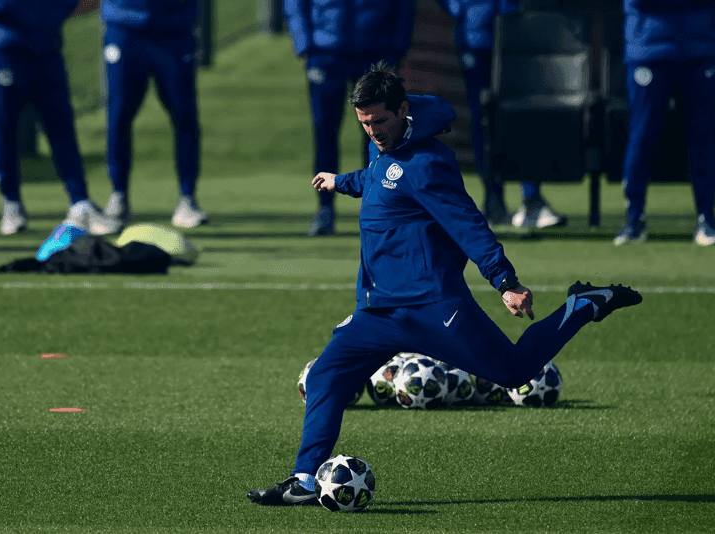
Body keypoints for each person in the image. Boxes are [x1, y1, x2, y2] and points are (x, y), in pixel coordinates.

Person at [246, 63, 642, 506]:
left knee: (514, 372)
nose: (372, 131)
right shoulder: (387, 150)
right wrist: (342, 182)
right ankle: (303, 478)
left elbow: (468, 225)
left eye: (379, 121)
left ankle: (582, 305)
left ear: (403, 110)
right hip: (378, 311)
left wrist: (505, 282)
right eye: (364, 123)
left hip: (433, 307)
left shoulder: (428, 163)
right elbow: (378, 181)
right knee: (324, 377)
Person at [283, 0, 415, 236]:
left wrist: (398, 46)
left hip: (375, 52)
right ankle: (325, 210)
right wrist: (304, 44)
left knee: (379, 136)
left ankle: (377, 209)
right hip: (326, 53)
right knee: (325, 132)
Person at [0, 0, 121, 236]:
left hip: (47, 52)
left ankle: (80, 203)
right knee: (4, 130)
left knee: (61, 128)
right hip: (5, 52)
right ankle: (11, 202)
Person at [440, 0, 567, 229]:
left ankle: (531, 199)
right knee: (483, 121)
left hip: (513, 32)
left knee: (520, 116)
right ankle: (493, 200)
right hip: (475, 39)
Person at [616, 0, 715, 246]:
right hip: (648, 48)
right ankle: (633, 218)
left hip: (699, 48)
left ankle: (707, 219)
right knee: (641, 137)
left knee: (703, 138)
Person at [100, 0, 208, 229]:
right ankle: (118, 195)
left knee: (184, 115)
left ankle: (187, 198)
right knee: (118, 115)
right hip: (124, 28)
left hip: (174, 30)